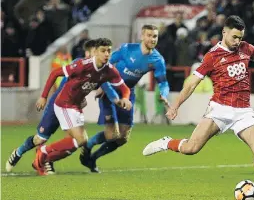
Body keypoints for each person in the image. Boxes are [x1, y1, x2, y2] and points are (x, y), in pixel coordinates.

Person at [143, 16, 254, 200]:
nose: (238, 41)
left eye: (240, 37)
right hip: (219, 109)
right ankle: (167, 143)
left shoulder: (247, 48)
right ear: (224, 32)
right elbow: (192, 84)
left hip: (243, 110)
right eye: (235, 37)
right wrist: (176, 105)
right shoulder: (212, 56)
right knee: (191, 148)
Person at [32, 38, 132, 175]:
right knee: (80, 139)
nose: (107, 54)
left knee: (79, 142)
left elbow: (125, 88)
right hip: (64, 104)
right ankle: (43, 152)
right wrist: (43, 96)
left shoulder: (109, 70)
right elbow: (55, 73)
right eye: (103, 51)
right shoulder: (83, 65)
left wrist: (125, 98)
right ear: (95, 52)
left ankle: (46, 158)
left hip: (76, 107)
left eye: (109, 51)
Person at [80, 24, 170, 172]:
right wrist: (102, 84)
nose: (152, 39)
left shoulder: (157, 59)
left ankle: (92, 158)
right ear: (142, 36)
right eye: (149, 35)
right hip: (110, 91)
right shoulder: (127, 49)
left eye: (155, 36)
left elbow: (163, 82)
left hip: (128, 94)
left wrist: (164, 94)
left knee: (122, 138)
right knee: (112, 134)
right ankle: (88, 146)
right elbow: (104, 63)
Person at [5, 39, 98, 174]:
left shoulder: (97, 70)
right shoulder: (78, 63)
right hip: (58, 103)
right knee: (40, 139)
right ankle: (18, 152)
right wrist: (44, 96)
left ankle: (47, 160)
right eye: (95, 52)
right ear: (88, 53)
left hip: (71, 107)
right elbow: (59, 76)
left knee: (74, 141)